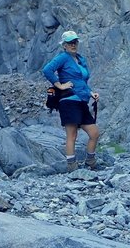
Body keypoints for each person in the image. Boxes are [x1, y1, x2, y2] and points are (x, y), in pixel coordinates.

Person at [42, 30, 100, 171]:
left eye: (75, 42)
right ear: (64, 45)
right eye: (69, 42)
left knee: (94, 133)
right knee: (72, 134)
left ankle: (90, 162)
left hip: (81, 100)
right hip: (68, 101)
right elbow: (47, 70)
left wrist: (91, 93)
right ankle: (72, 166)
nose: (73, 44)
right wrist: (60, 85)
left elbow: (81, 81)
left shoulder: (80, 59)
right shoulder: (63, 57)